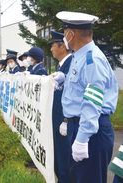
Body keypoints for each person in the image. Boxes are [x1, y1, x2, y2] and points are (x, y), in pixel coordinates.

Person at [57, 11, 118, 183]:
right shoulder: (79, 55)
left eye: (64, 33)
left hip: (91, 131)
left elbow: (92, 101)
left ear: (71, 33)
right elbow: (78, 91)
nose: (64, 38)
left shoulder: (92, 60)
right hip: (79, 126)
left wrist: (82, 139)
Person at [48, 30, 72, 183]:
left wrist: (66, 119)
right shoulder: (61, 67)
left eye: (52, 46)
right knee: (58, 162)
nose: (51, 49)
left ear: (62, 46)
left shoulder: (72, 64)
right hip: (58, 123)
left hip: (65, 124)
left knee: (65, 165)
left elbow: (72, 97)